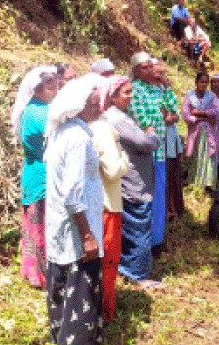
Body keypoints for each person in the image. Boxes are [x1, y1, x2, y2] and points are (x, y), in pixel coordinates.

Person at [43, 74, 106, 345]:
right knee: (80, 300)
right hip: (78, 235)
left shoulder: (59, 132)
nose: (100, 109)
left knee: (61, 297)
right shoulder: (79, 138)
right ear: (79, 106)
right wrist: (88, 235)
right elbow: (72, 194)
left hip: (60, 231)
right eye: (94, 104)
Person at [103, 75, 163, 288]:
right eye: (126, 92)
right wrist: (152, 135)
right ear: (112, 96)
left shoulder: (114, 116)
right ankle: (139, 276)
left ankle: (127, 269)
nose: (131, 96)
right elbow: (145, 143)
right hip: (134, 183)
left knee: (130, 228)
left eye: (131, 91)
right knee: (138, 227)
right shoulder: (118, 119)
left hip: (127, 182)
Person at [88, 75, 132, 321]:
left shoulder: (85, 125)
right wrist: (125, 157)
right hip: (108, 203)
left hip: (94, 204)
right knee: (108, 262)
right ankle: (106, 313)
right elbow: (113, 171)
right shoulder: (103, 128)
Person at [11, 65, 59, 289]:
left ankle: (35, 272)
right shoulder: (40, 112)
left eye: (56, 87)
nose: (55, 92)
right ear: (38, 90)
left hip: (34, 172)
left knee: (36, 224)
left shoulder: (31, 109)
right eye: (50, 88)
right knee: (42, 225)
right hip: (42, 174)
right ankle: (43, 275)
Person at [127, 53, 168, 250]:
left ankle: (157, 240)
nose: (150, 71)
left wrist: (164, 85)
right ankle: (147, 244)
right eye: (144, 67)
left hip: (159, 151)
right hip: (145, 153)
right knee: (147, 198)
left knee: (159, 196)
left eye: (150, 67)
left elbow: (169, 108)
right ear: (135, 70)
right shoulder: (134, 90)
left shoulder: (153, 89)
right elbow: (143, 123)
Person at [154, 61, 185, 221]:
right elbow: (163, 116)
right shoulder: (150, 92)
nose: (160, 76)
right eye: (157, 72)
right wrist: (168, 116)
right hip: (159, 140)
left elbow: (175, 115)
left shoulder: (166, 90)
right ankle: (165, 210)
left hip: (171, 138)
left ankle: (174, 208)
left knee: (172, 174)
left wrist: (171, 116)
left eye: (162, 73)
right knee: (163, 175)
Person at [183, 72, 219, 190]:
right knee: (196, 154)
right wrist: (205, 118)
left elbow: (216, 111)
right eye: (201, 81)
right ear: (196, 82)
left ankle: (208, 184)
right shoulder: (189, 97)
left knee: (209, 155)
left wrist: (199, 113)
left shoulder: (212, 96)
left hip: (210, 132)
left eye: (206, 82)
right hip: (196, 132)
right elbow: (186, 116)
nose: (203, 84)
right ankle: (194, 182)